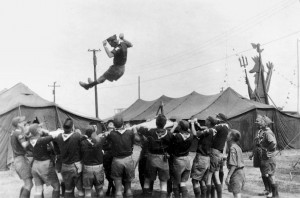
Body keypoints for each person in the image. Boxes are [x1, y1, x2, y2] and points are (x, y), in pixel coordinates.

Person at [135, 114, 174, 198]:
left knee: (147, 180)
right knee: (163, 182)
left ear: (155, 123)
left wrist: (149, 122)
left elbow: (139, 129)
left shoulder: (150, 131)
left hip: (151, 159)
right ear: (165, 123)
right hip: (163, 159)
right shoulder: (170, 134)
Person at [105, 115, 139, 198]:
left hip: (117, 161)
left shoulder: (111, 134)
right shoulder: (130, 133)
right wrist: (135, 131)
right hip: (128, 160)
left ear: (114, 125)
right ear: (123, 123)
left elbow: (107, 145)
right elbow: (137, 140)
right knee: (128, 189)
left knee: (118, 189)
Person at [54, 118, 84, 198]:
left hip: (64, 166)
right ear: (72, 127)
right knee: (80, 189)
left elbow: (54, 143)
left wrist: (57, 153)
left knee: (68, 189)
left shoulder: (59, 136)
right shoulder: (77, 136)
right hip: (75, 166)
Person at [29, 123, 61, 198]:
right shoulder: (42, 140)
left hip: (35, 165)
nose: (41, 129)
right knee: (56, 186)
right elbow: (55, 135)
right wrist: (48, 131)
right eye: (40, 128)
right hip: (45, 165)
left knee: (38, 189)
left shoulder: (30, 139)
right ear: (37, 130)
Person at [190, 116, 216, 198]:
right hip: (207, 158)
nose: (205, 120)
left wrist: (192, 123)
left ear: (209, 122)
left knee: (195, 180)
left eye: (207, 120)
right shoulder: (213, 130)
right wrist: (197, 125)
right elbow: (203, 130)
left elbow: (195, 134)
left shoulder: (207, 131)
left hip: (201, 157)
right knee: (202, 180)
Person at [207, 113, 230, 198]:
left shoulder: (220, 126)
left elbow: (210, 131)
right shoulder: (226, 126)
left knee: (209, 176)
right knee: (216, 175)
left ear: (220, 119)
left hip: (214, 151)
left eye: (217, 117)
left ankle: (210, 196)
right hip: (220, 153)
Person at [255, 115, 279, 198]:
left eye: (261, 122)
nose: (259, 124)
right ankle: (273, 193)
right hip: (266, 158)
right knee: (268, 175)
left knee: (270, 175)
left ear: (265, 124)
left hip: (269, 158)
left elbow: (274, 143)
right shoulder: (264, 132)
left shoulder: (268, 133)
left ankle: (275, 195)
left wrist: (268, 150)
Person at [170, 120, 194, 198]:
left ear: (180, 127)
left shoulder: (177, 136)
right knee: (183, 182)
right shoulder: (191, 136)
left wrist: (174, 126)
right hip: (187, 160)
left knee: (175, 183)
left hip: (178, 161)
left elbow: (169, 135)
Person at [81, 126, 106, 198]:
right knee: (100, 190)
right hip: (98, 167)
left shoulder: (82, 142)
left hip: (87, 168)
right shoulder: (100, 140)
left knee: (88, 192)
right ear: (94, 133)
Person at [11, 116, 33, 198]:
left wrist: (27, 136)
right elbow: (24, 144)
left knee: (27, 184)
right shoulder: (18, 133)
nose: (24, 122)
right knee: (29, 184)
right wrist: (33, 138)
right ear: (18, 124)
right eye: (23, 121)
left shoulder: (14, 132)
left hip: (17, 160)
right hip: (21, 160)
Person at [225, 129, 245, 198]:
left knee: (236, 194)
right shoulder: (237, 147)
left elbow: (233, 165)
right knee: (236, 192)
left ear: (231, 137)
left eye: (228, 134)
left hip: (236, 173)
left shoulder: (232, 148)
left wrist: (228, 176)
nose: (226, 136)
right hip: (241, 173)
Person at [102, 120, 116, 196]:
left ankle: (112, 187)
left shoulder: (117, 134)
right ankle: (112, 186)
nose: (110, 125)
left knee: (115, 174)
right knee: (107, 174)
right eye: (109, 124)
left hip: (114, 157)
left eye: (112, 124)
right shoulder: (103, 135)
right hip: (106, 157)